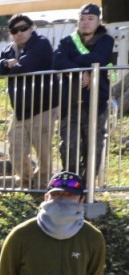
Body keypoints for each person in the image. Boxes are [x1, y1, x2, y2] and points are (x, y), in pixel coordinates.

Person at [52, 3, 115, 189]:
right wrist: (82, 71)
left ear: (98, 21)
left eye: (90, 19)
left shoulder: (106, 40)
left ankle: (87, 188)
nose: (85, 23)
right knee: (69, 145)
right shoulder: (68, 41)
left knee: (92, 146)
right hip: (69, 103)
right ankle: (70, 185)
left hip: (96, 103)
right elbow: (57, 60)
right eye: (82, 19)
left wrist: (76, 64)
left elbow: (100, 59)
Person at [0, 15, 58, 188]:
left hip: (43, 107)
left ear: (32, 28)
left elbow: (25, 67)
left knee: (43, 151)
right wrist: (7, 63)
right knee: (15, 147)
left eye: (23, 29)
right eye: (14, 31)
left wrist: (9, 68)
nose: (19, 33)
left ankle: (44, 184)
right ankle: (26, 182)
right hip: (20, 110)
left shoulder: (41, 43)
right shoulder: (9, 49)